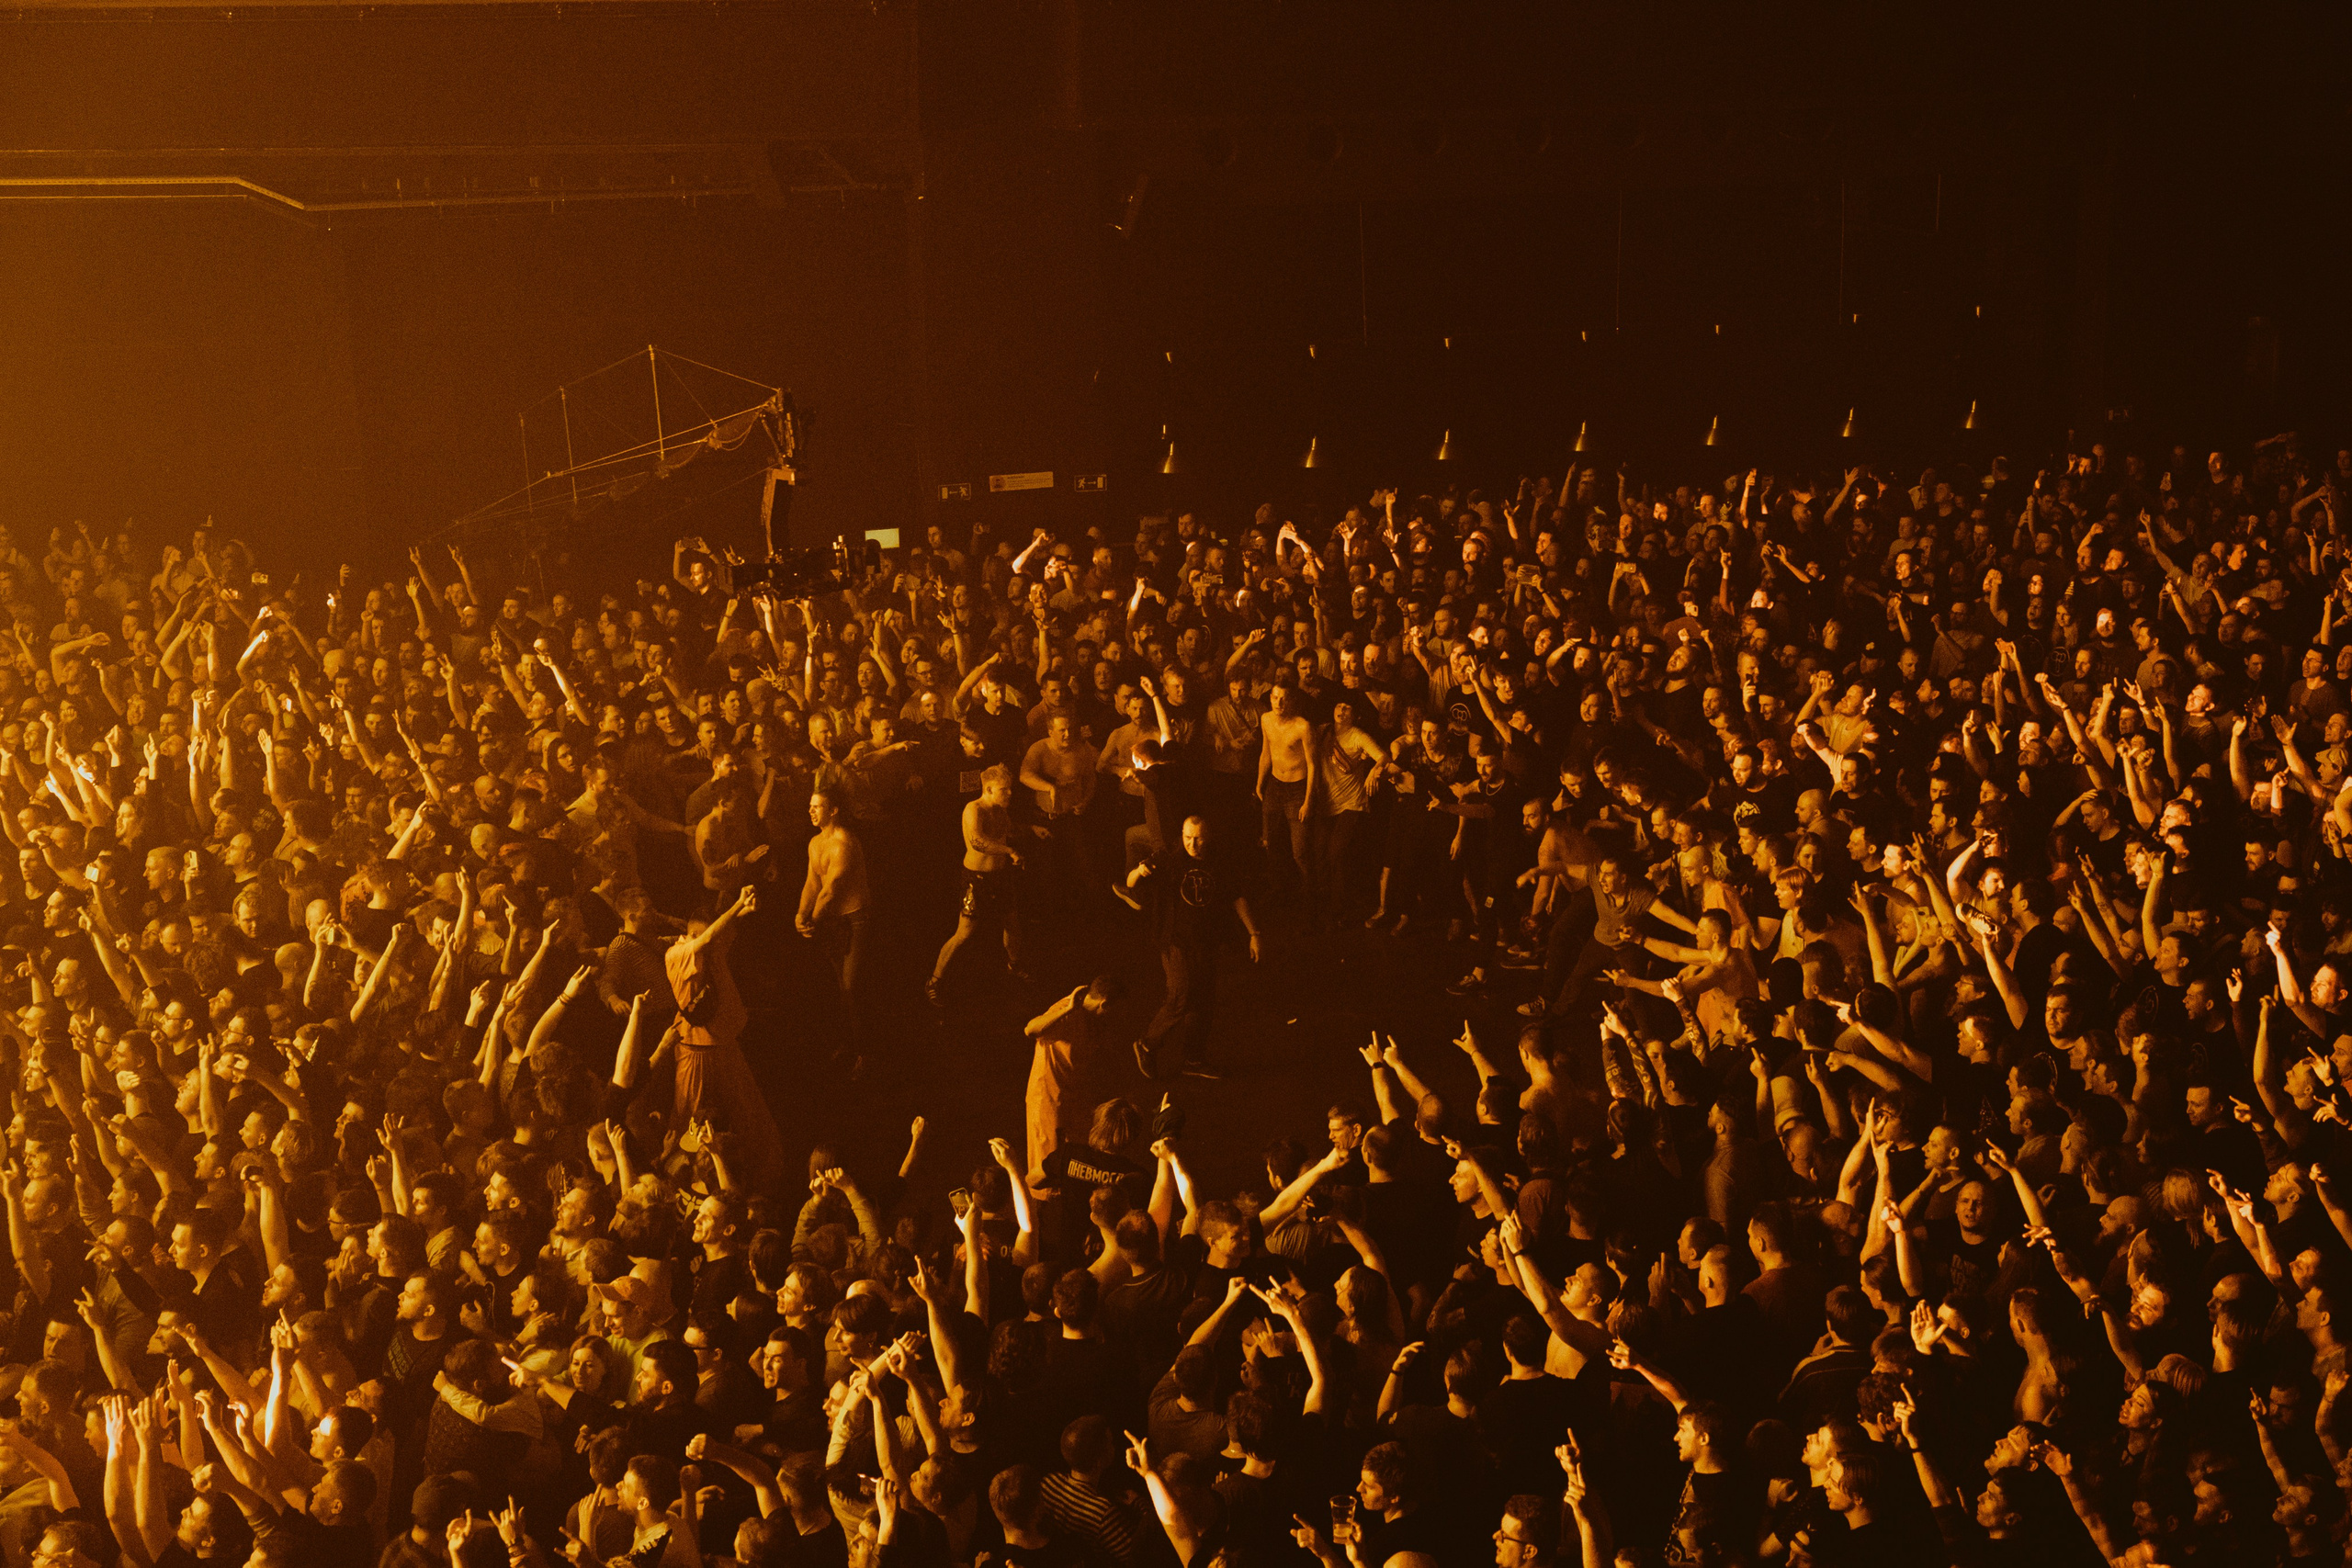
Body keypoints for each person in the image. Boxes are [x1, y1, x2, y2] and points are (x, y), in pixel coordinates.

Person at [1119, 813, 1261, 1081]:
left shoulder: (1219, 863)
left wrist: (1254, 933)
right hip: (1176, 942)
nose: (1192, 844)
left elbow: (1237, 898)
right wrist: (1139, 871)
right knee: (1180, 996)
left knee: (1203, 1003)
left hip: (1206, 943)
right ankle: (1147, 1044)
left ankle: (1193, 1059)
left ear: (1208, 838)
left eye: (1198, 839)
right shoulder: (1169, 860)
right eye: (1187, 837)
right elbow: (1130, 884)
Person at [928, 763, 1046, 1004]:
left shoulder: (1001, 810)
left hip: (1000, 877)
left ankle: (1014, 966)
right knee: (964, 933)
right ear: (989, 789)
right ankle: (934, 980)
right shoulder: (974, 809)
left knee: (1012, 924)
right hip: (977, 880)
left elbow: (1007, 831)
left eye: (1010, 789)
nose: (1010, 794)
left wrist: (1032, 829)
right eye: (1004, 790)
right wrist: (1009, 851)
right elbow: (978, 842)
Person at [796, 786, 869, 1074]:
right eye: (810, 806)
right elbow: (813, 883)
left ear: (834, 810)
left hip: (853, 920)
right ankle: (847, 1043)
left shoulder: (843, 843)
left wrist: (811, 920)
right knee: (836, 986)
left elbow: (831, 890)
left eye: (818, 806)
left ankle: (864, 1052)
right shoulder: (815, 843)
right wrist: (801, 914)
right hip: (829, 920)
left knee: (850, 987)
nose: (811, 811)